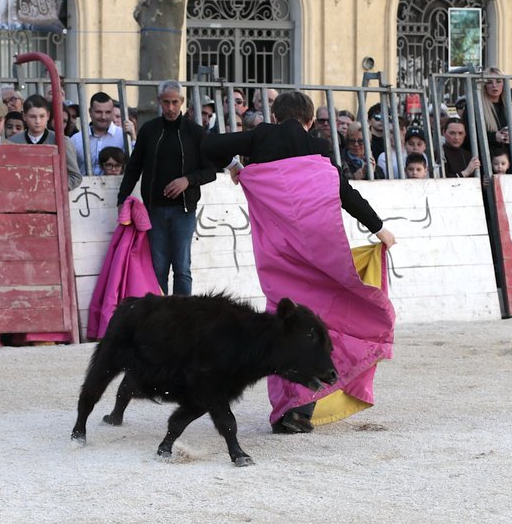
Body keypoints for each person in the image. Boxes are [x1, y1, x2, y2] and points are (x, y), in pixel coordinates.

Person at [202, 91, 395, 434]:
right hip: (320, 253)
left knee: (286, 323)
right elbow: (347, 195)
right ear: (308, 122)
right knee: (322, 323)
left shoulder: (261, 136)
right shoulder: (320, 150)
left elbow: (210, 144)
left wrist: (237, 168)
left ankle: (293, 409)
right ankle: (299, 409)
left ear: (274, 116)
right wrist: (380, 229)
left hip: (280, 255)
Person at [116, 80, 217, 296]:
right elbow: (134, 167)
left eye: (174, 102)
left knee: (182, 268)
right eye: (166, 103)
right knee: (158, 268)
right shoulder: (149, 130)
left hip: (184, 211)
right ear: (159, 102)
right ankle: (160, 316)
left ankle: (181, 319)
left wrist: (187, 180)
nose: (170, 108)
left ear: (181, 102)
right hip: (154, 211)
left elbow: (210, 170)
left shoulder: (195, 133)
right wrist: (122, 198)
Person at [8, 94, 82, 191]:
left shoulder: (61, 141)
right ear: (24, 116)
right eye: (32, 116)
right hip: (21, 198)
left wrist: (52, 187)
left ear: (48, 116)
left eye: (42, 116)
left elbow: (75, 176)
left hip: (51, 200)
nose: (38, 121)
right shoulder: (13, 142)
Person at [71, 92, 126, 175]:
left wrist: (132, 138)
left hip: (116, 187)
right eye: (99, 112)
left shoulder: (123, 137)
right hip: (84, 187)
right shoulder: (76, 139)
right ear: (90, 112)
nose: (103, 117)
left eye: (108, 112)